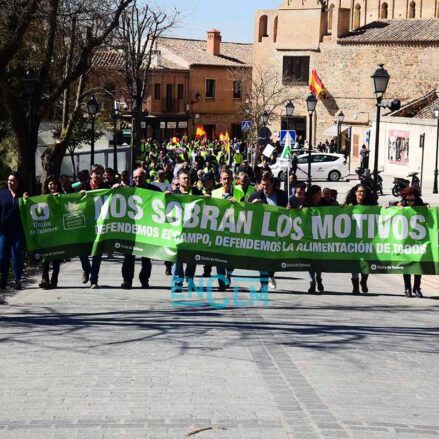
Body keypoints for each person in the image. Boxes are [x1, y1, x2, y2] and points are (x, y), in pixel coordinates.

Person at [119, 168, 161, 289]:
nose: (138, 179)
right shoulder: (128, 189)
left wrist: (168, 195)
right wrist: (116, 187)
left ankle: (144, 279)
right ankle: (127, 280)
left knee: (146, 257)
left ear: (146, 177)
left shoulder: (154, 190)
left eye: (141, 177)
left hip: (148, 228)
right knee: (128, 255)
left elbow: (164, 201)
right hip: (132, 228)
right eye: (136, 177)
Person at [249, 174, 288, 291]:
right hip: (261, 232)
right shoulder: (255, 195)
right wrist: (252, 205)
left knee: (275, 258)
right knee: (262, 259)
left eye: (267, 185)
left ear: (272, 185)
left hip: (278, 232)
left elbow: (289, 208)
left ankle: (270, 274)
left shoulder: (281, 195)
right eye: (262, 185)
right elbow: (246, 211)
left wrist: (290, 208)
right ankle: (263, 284)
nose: (264, 187)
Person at [170, 170, 203, 292]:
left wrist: (207, 199)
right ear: (178, 180)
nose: (186, 180)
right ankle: (177, 282)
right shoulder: (173, 194)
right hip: (177, 232)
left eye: (188, 178)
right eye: (184, 178)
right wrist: (165, 197)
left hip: (193, 231)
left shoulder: (196, 193)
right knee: (177, 256)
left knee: (192, 257)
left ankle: (190, 279)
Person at [79, 164, 110, 288]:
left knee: (97, 253)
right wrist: (79, 195)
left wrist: (117, 187)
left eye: (100, 173)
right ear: (91, 174)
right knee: (82, 251)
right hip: (85, 225)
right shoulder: (83, 186)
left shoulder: (106, 187)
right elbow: (68, 197)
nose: (97, 175)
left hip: (100, 225)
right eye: (95, 173)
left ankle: (94, 280)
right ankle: (86, 269)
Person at [344, 184, 378, 294]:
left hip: (367, 239)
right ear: (355, 192)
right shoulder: (349, 206)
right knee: (354, 263)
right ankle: (355, 287)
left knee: (366, 263)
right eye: (359, 191)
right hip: (353, 239)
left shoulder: (370, 206)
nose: (361, 193)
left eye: (363, 192)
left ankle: (363, 281)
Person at [398, 187, 426, 297]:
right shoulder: (402, 204)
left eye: (412, 200)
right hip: (405, 239)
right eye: (408, 200)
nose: (410, 202)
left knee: (418, 263)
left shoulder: (420, 204)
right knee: (407, 264)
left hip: (418, 239)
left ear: (416, 198)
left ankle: (416, 288)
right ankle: (407, 288)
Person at [0, 173, 25, 292]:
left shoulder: (23, 195)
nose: (10, 183)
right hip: (3, 231)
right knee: (2, 256)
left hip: (18, 231)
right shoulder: (2, 193)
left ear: (18, 183)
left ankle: (17, 280)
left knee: (17, 255)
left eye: (13, 181)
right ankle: (3, 279)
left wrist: (25, 199)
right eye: (9, 180)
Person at [38, 176, 63, 289]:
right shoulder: (42, 198)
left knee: (57, 258)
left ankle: (54, 280)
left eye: (54, 184)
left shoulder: (62, 197)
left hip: (58, 232)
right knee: (45, 257)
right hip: (46, 231)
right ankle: (44, 278)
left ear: (58, 185)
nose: (52, 186)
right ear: (47, 186)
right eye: (50, 184)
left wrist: (60, 199)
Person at [303, 185, 325, 294]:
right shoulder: (305, 205)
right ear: (313, 195)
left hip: (320, 236)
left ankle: (319, 278)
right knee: (310, 260)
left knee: (318, 260)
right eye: (318, 194)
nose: (320, 196)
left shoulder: (324, 204)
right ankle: (312, 282)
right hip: (308, 236)